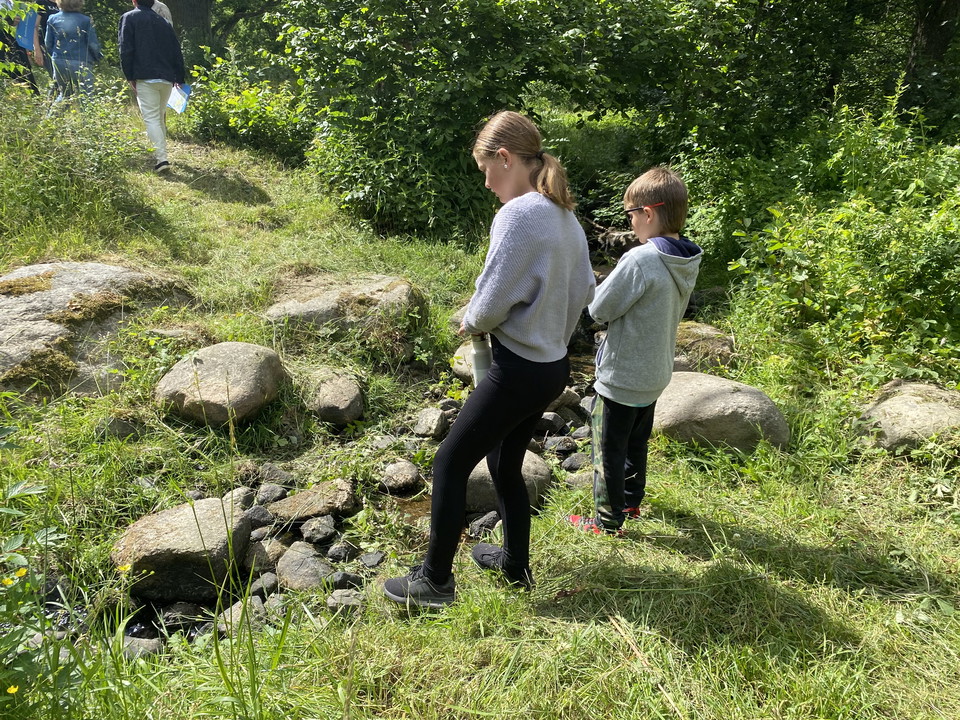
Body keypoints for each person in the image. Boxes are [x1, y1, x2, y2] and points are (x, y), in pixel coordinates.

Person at [384, 111, 596, 608]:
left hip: (517, 369)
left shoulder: (520, 213)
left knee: (449, 462)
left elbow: (492, 298)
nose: (485, 183)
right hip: (552, 368)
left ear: (505, 158)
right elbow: (586, 288)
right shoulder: (565, 215)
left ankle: (434, 582)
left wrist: (473, 319)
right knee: (504, 464)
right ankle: (515, 565)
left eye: (486, 170)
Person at [569, 167, 702, 536]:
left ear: (648, 213)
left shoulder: (641, 259)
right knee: (635, 443)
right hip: (655, 373)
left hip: (623, 374)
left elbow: (600, 310)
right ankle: (630, 502)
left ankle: (607, 522)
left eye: (630, 214)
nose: (630, 223)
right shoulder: (686, 258)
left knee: (608, 450)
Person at [118, 0, 184, 173]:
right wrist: (179, 76)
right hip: (167, 78)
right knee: (159, 115)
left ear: (134, 1)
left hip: (145, 76)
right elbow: (176, 50)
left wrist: (129, 76)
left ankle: (161, 160)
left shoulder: (129, 18)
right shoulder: (162, 21)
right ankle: (162, 155)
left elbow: (126, 48)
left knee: (152, 118)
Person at [44, 0, 102, 105]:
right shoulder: (86, 20)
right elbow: (92, 44)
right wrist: (97, 56)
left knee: (65, 94)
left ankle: (50, 119)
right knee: (87, 95)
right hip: (81, 61)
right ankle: (89, 120)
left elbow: (48, 44)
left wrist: (56, 55)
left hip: (59, 61)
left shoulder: (52, 19)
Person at [1, 0, 40, 94]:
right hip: (3, 49)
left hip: (17, 46)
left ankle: (34, 101)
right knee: (9, 77)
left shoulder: (13, 3)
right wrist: (7, 20)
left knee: (26, 75)